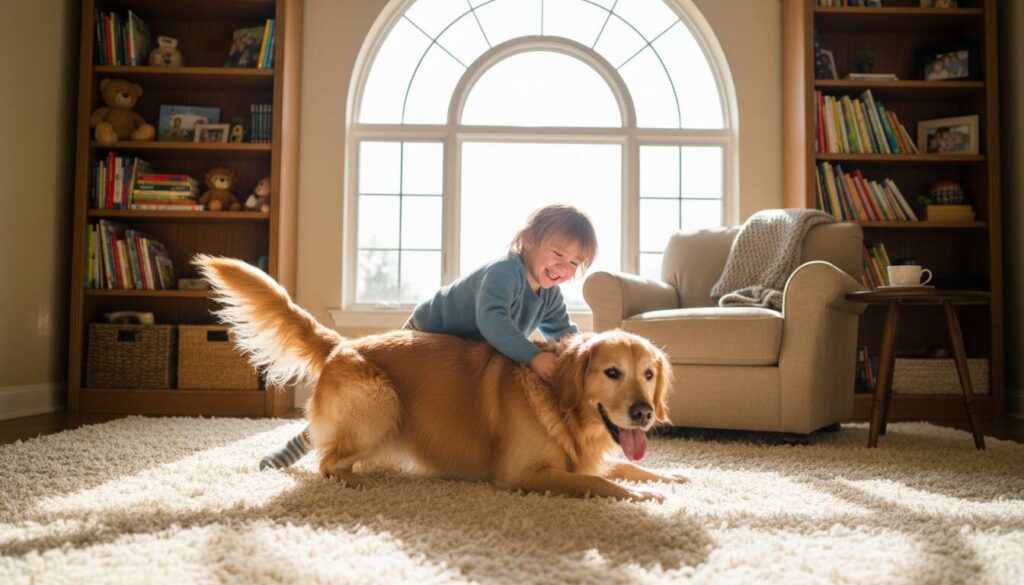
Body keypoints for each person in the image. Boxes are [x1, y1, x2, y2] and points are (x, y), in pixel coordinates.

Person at [259, 204, 599, 470]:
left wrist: (590, 357)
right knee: (402, 400)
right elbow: (493, 322)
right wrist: (534, 356)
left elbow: (565, 333)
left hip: (465, 354)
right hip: (427, 337)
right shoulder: (505, 273)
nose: (564, 267)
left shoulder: (550, 296)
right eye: (558, 254)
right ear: (528, 241)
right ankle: (305, 444)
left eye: (575, 263)